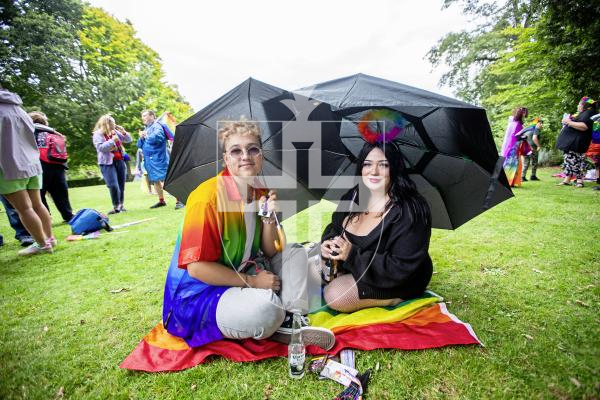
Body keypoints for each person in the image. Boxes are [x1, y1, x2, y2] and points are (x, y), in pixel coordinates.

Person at [162, 120, 334, 350]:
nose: (245, 156)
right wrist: (254, 282)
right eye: (236, 150)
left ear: (261, 156)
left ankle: (292, 318)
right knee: (266, 308)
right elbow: (197, 268)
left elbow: (272, 249)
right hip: (201, 294)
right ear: (226, 159)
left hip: (244, 270)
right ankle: (274, 318)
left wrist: (268, 218)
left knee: (294, 252)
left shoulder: (259, 191)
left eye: (253, 149)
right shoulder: (206, 198)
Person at [319, 141, 433, 313]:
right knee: (306, 270)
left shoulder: (410, 210)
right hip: (356, 267)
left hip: (398, 279)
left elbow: (401, 267)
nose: (374, 172)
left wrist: (351, 255)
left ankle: (393, 298)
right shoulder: (353, 195)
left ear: (394, 168)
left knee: (335, 295)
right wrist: (328, 243)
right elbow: (334, 227)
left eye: (383, 165)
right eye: (367, 164)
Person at [0, 88, 55, 255]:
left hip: (9, 166)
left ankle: (42, 244)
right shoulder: (19, 109)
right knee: (37, 204)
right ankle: (49, 238)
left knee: (24, 208)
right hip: (31, 163)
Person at [29, 111, 74, 222]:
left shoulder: (29, 132)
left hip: (40, 166)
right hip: (58, 166)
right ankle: (68, 216)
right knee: (61, 194)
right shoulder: (53, 133)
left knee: (39, 194)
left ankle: (46, 218)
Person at [92, 114, 132, 214]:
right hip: (107, 163)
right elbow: (101, 148)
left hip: (120, 161)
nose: (114, 125)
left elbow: (128, 140)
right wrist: (112, 141)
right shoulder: (98, 134)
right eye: (112, 123)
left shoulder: (115, 132)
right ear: (106, 124)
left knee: (121, 185)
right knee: (113, 185)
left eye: (114, 123)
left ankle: (120, 205)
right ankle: (116, 206)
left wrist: (124, 132)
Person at [556, 97, 597, 188]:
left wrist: (569, 122)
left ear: (584, 105)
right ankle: (567, 180)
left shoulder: (588, 113)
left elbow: (584, 126)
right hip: (572, 142)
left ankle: (579, 181)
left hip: (578, 142)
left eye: (579, 104)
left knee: (577, 161)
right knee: (569, 161)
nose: (578, 106)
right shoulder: (583, 113)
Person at [138, 110, 169, 208]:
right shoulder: (146, 128)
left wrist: (146, 135)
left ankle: (179, 200)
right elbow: (139, 145)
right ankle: (161, 200)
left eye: (145, 115)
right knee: (155, 180)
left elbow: (158, 138)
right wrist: (141, 137)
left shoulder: (157, 126)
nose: (143, 118)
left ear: (152, 116)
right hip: (149, 159)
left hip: (159, 157)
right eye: (142, 116)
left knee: (166, 179)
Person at [500, 107, 529, 187]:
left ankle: (510, 181)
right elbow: (515, 136)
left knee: (511, 164)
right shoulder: (517, 124)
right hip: (513, 147)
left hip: (511, 146)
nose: (525, 115)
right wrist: (523, 137)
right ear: (521, 114)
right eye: (524, 114)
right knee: (511, 164)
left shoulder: (513, 122)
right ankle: (508, 182)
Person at [519, 117, 543, 181]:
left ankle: (522, 177)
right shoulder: (536, 129)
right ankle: (533, 176)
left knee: (526, 162)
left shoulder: (527, 128)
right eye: (541, 123)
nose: (541, 125)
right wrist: (538, 146)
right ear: (538, 123)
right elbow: (534, 138)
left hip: (525, 147)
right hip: (532, 148)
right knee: (534, 162)